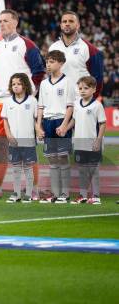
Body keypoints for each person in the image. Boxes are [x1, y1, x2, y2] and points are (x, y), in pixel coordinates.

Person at [0, 9, 45, 199]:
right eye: (0, 21)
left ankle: (34, 188)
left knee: (27, 146)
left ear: (15, 22)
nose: (2, 24)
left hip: (23, 103)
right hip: (1, 102)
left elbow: (38, 73)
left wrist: (30, 97)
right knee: (2, 146)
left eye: (6, 20)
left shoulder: (27, 45)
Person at [36, 50, 75, 203]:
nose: (48, 65)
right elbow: (40, 107)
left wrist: (65, 125)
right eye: (47, 62)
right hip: (48, 122)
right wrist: (38, 126)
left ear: (61, 63)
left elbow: (70, 106)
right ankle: (55, 193)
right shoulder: (44, 83)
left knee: (63, 158)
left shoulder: (68, 82)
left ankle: (65, 194)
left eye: (52, 62)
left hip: (60, 121)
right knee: (52, 160)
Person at [68, 76, 106, 205]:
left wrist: (98, 140)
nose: (82, 90)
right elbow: (74, 120)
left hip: (92, 143)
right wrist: (65, 128)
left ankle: (96, 196)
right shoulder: (77, 104)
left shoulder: (97, 105)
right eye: (80, 88)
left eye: (86, 88)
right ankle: (83, 195)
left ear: (94, 89)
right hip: (79, 142)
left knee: (93, 170)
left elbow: (102, 124)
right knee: (82, 171)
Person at [48, 11, 104, 97]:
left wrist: (88, 102)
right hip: (57, 102)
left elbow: (98, 80)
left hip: (79, 103)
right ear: (61, 25)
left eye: (71, 21)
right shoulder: (53, 48)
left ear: (78, 25)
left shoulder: (89, 49)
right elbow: (51, 75)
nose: (67, 24)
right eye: (64, 21)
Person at [2, 73, 37, 203]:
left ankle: (28, 194)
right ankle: (16, 193)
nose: (16, 86)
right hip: (13, 141)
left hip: (28, 140)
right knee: (16, 168)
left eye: (19, 84)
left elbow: (36, 120)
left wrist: (38, 130)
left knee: (28, 167)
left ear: (25, 85)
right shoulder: (7, 102)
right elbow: (5, 120)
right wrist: (9, 135)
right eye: (13, 84)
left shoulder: (32, 101)